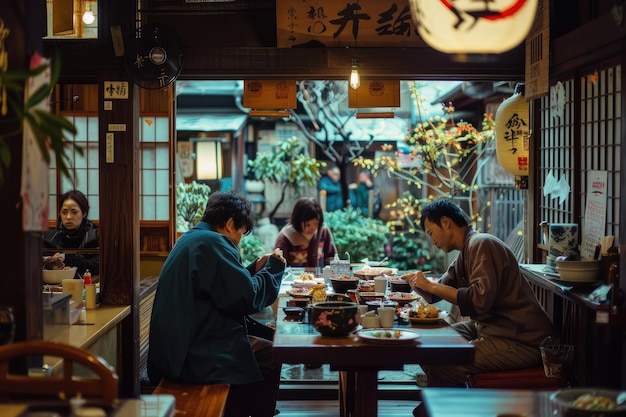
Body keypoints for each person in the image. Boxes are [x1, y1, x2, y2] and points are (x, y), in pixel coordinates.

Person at [147, 190, 286, 417]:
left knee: (264, 345)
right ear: (231, 224)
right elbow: (246, 298)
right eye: (242, 232)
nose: (239, 239)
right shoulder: (213, 243)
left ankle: (244, 408)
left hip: (177, 350)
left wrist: (254, 269)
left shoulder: (194, 239)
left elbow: (223, 286)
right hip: (192, 356)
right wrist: (274, 267)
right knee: (272, 354)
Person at [402, 199, 553, 387]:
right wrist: (416, 284)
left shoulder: (482, 243)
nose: (433, 242)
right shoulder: (466, 251)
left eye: (431, 233)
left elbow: (479, 301)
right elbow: (437, 294)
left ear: (446, 222)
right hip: (490, 328)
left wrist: (430, 286)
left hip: (520, 340)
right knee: (426, 342)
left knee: (445, 363)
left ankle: (448, 410)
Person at [43, 189, 99, 277]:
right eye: (64, 212)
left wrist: (66, 258)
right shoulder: (51, 237)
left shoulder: (94, 236)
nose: (68, 217)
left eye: (74, 212)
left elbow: (97, 266)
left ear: (84, 213)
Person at [274, 197, 338, 268]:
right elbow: (278, 265)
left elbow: (332, 258)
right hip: (295, 278)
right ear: (298, 221)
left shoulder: (323, 231)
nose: (312, 228)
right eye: (308, 225)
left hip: (320, 278)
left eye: (316, 224)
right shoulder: (285, 236)